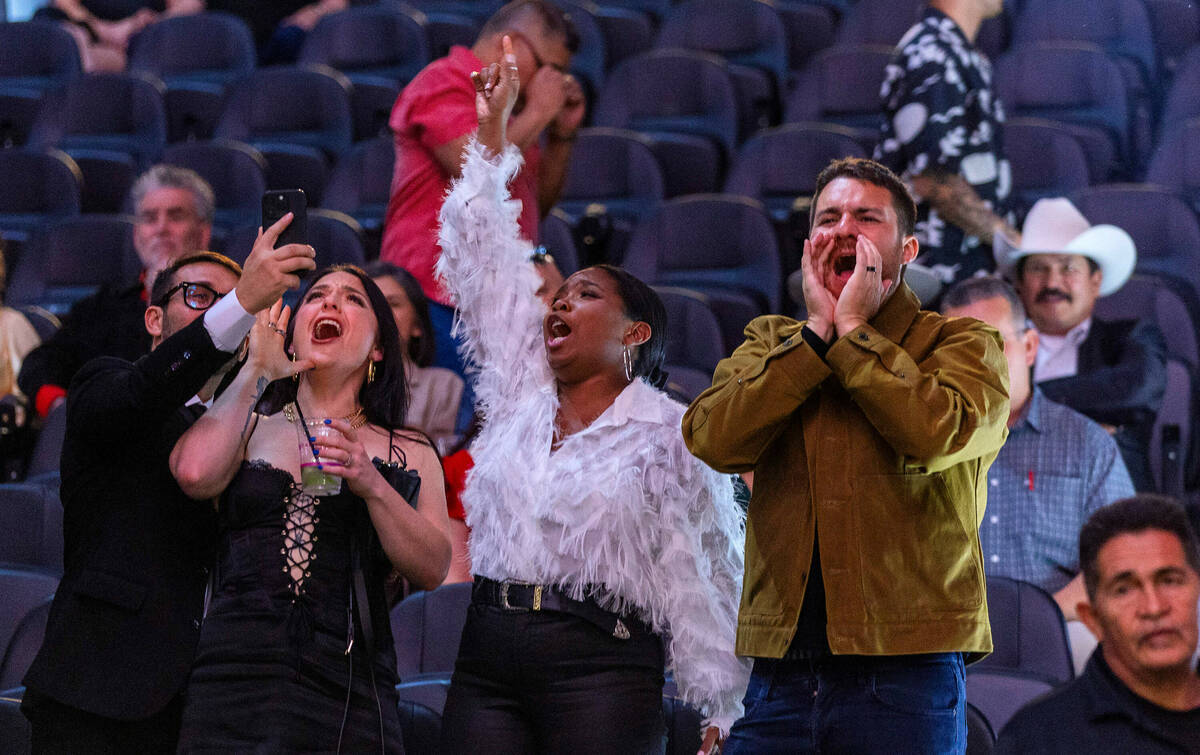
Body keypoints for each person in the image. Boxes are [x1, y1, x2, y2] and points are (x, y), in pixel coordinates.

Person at [435, 41, 748, 753]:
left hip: (603, 663)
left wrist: (719, 702)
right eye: (559, 293)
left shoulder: (672, 431)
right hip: (487, 650)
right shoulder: (520, 386)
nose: (559, 301)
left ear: (635, 332)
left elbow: (701, 567)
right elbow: (479, 255)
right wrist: (494, 131)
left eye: (585, 294)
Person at [683, 155, 1011, 752]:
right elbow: (711, 438)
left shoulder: (963, 343)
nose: (843, 229)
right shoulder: (770, 342)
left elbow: (936, 432)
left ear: (906, 251)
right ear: (810, 245)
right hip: (778, 676)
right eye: (828, 217)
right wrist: (813, 336)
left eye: (867, 217)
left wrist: (855, 329)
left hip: (907, 671)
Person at [21, 223, 317, 752]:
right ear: (153, 318)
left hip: (216, 704)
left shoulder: (256, 417)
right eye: (200, 296)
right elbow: (144, 391)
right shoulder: (104, 380)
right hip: (99, 692)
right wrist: (244, 300)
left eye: (233, 307)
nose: (221, 313)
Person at [168, 264, 451, 752]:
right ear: (292, 338)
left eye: (353, 300)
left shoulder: (410, 449)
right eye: (317, 295)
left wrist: (373, 485)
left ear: (378, 349)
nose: (331, 303)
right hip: (233, 677)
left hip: (347, 685)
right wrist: (256, 368)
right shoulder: (251, 421)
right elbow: (194, 474)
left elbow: (433, 568)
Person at [381, 0, 584, 380]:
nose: (557, 82)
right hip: (433, 301)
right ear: (512, 44)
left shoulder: (519, 111)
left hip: (501, 305)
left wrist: (562, 136)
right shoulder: (444, 79)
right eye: (550, 68)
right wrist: (539, 113)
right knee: (437, 428)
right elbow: (471, 166)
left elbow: (533, 207)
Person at [942, 276, 1134, 621]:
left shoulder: (1088, 445)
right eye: (960, 351)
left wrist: (1038, 622)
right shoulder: (923, 443)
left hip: (1065, 625)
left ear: (1030, 347)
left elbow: (1123, 559)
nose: (978, 365)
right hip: (947, 636)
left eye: (992, 345)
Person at [996, 494, 1200, 754]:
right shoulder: (1039, 740)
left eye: (1169, 580)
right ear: (1092, 620)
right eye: (1124, 590)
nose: (1154, 607)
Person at [18, 164, 215, 421]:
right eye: (149, 218)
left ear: (203, 233)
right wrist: (60, 409)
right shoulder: (102, 307)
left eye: (176, 216)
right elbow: (42, 364)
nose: (161, 228)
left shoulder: (230, 301)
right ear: (136, 235)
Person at [998, 197, 1167, 492]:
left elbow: (1138, 388)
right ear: (1019, 285)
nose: (1053, 282)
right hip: (1012, 499)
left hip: (1113, 508)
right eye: (1039, 268)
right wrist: (1090, 420)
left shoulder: (1131, 336)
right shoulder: (999, 346)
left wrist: (1025, 405)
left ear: (1095, 281)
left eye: (1068, 268)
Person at [875, 0, 1019, 286]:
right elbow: (934, 180)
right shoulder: (932, 52)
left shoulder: (955, 51)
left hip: (962, 269)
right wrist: (1012, 242)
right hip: (938, 275)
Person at [365, 261, 464, 452]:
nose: (380, 313)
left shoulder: (442, 385)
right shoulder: (339, 380)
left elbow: (440, 462)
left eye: (392, 304)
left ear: (417, 326)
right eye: (369, 304)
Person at [34, 0, 204, 71]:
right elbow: (64, 3)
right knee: (67, 38)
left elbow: (189, 4)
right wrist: (104, 30)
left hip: (144, 38)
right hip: (89, 30)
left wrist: (148, 25)